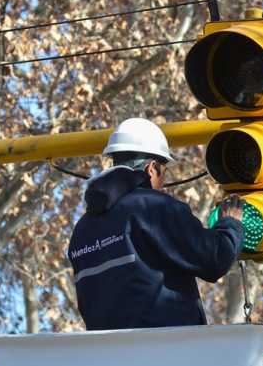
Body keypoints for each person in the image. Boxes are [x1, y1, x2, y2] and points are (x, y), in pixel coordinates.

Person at [68, 117, 245, 330]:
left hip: (110, 355)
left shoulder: (82, 229)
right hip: (165, 350)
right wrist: (230, 225)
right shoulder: (153, 207)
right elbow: (215, 258)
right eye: (163, 172)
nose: (162, 184)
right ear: (152, 168)